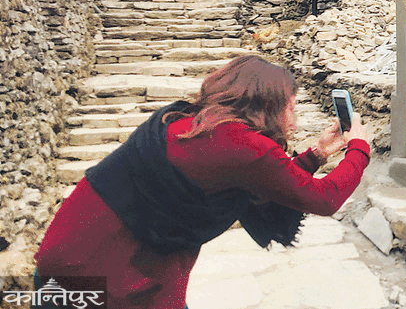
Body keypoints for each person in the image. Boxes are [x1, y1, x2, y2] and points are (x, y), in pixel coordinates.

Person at [34, 55, 370, 308]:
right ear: (269, 105)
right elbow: (322, 198)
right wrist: (359, 147)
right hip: (107, 273)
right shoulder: (242, 144)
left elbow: (266, 177)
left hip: (70, 256)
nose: (294, 121)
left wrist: (316, 154)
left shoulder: (193, 121)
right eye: (292, 108)